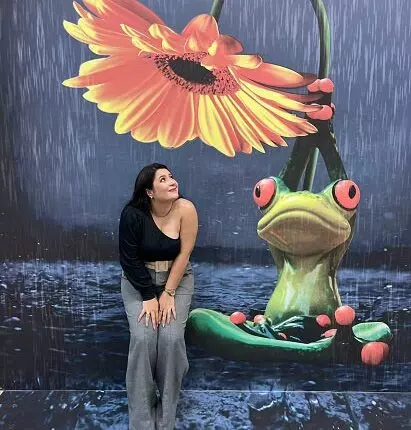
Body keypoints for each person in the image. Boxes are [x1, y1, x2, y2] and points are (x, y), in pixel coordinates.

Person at [119, 163, 198, 430]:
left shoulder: (186, 209)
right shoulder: (132, 214)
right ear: (149, 192)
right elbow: (129, 259)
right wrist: (149, 295)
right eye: (163, 179)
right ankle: (141, 421)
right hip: (138, 281)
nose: (172, 181)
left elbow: (184, 253)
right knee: (143, 339)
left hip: (177, 279)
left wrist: (168, 292)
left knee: (171, 339)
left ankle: (166, 418)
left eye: (171, 176)